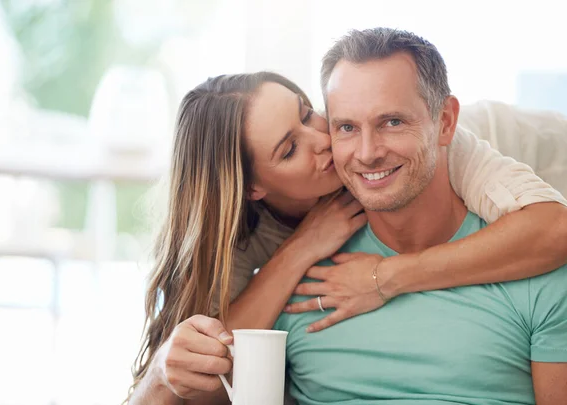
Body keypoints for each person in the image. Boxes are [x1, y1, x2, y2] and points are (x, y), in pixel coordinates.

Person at [126, 70, 567, 404]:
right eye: (289, 149)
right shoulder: (244, 241)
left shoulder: (431, 143)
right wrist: (300, 249)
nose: (324, 139)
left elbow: (554, 231)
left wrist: (385, 277)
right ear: (254, 189)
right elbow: (203, 360)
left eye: (306, 113)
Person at [274, 27, 567, 405]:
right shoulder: (295, 279)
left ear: (445, 122)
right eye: (347, 127)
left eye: (392, 122)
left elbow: (556, 229)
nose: (367, 153)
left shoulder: (537, 266)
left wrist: (387, 277)